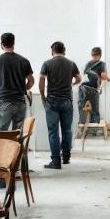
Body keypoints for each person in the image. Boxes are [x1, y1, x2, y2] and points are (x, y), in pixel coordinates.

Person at [38, 41, 81, 169]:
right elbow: (79, 79)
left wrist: (42, 96)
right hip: (67, 101)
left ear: (52, 51)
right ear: (64, 50)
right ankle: (66, 157)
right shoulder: (71, 64)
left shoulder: (47, 63)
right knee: (67, 130)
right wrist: (70, 85)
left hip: (52, 101)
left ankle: (56, 161)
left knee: (53, 131)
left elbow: (41, 82)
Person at [0, 32, 34, 131]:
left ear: (2, 44)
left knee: (2, 133)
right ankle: (16, 147)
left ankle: (4, 147)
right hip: (20, 102)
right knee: (17, 133)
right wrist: (24, 88)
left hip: (4, 102)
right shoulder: (24, 61)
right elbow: (31, 81)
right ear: (13, 44)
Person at [77, 47, 110, 134]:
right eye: (93, 55)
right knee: (94, 109)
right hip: (92, 89)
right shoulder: (101, 64)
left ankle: (83, 129)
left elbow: (85, 74)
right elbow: (103, 76)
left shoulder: (90, 63)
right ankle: (93, 131)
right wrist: (107, 78)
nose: (93, 57)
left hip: (85, 87)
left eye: (93, 55)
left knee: (83, 107)